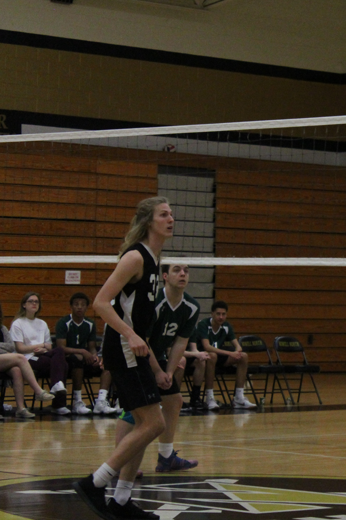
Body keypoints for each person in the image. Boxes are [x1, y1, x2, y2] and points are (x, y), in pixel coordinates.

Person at [73, 196, 173, 520]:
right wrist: (129, 335)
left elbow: (141, 324)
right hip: (124, 348)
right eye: (164, 214)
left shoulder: (156, 260)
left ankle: (121, 500)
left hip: (136, 351)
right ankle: (96, 482)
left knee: (145, 423)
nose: (171, 218)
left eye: (171, 214)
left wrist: (157, 368)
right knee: (155, 422)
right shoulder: (135, 257)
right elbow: (101, 303)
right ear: (148, 221)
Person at [116, 263, 201, 474]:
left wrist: (169, 372)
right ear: (164, 276)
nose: (183, 274)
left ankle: (166, 458)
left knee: (173, 400)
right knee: (135, 408)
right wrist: (157, 371)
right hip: (131, 354)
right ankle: (119, 463)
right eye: (176, 270)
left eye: (186, 271)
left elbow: (180, 342)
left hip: (156, 356)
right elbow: (142, 339)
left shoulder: (191, 307)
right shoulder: (152, 302)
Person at [10, 292, 70, 415]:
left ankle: (57, 387)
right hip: (27, 358)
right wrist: (40, 346)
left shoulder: (42, 323)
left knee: (59, 351)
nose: (34, 304)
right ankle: (59, 404)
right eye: (31, 301)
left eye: (36, 302)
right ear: (24, 305)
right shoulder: (18, 323)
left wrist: (44, 349)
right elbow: (20, 348)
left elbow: (49, 345)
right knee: (63, 365)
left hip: (43, 354)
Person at [195, 301, 256, 410]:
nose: (221, 317)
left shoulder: (227, 326)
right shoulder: (203, 324)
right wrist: (230, 353)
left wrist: (237, 351)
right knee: (212, 355)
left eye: (224, 314)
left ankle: (238, 397)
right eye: (218, 314)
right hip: (202, 358)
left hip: (219, 356)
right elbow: (207, 347)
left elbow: (237, 345)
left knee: (244, 356)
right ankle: (209, 398)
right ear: (212, 314)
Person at [1, 305, 56, 419]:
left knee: (16, 370)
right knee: (20, 358)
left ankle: (20, 409)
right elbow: (10, 347)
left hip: (4, 358)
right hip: (5, 357)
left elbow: (11, 346)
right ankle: (38, 391)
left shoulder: (2, 328)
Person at [55, 292, 101, 415]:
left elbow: (92, 347)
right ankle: (77, 401)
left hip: (83, 357)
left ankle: (103, 400)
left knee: (106, 363)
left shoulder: (90, 324)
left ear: (87, 307)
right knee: (77, 358)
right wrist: (81, 351)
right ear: (71, 307)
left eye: (83, 305)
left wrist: (95, 356)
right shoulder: (63, 322)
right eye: (76, 304)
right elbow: (61, 348)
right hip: (66, 359)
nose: (79, 307)